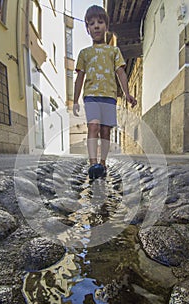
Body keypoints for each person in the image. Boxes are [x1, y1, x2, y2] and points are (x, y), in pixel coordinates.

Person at [73, 5, 137, 179]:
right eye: (91, 23)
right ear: (87, 29)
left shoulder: (114, 51)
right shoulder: (84, 53)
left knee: (105, 131)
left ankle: (102, 163)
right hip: (91, 96)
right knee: (93, 126)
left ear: (106, 27)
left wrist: (126, 93)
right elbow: (79, 77)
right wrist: (75, 100)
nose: (96, 26)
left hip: (109, 96)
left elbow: (121, 72)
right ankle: (93, 163)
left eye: (100, 22)